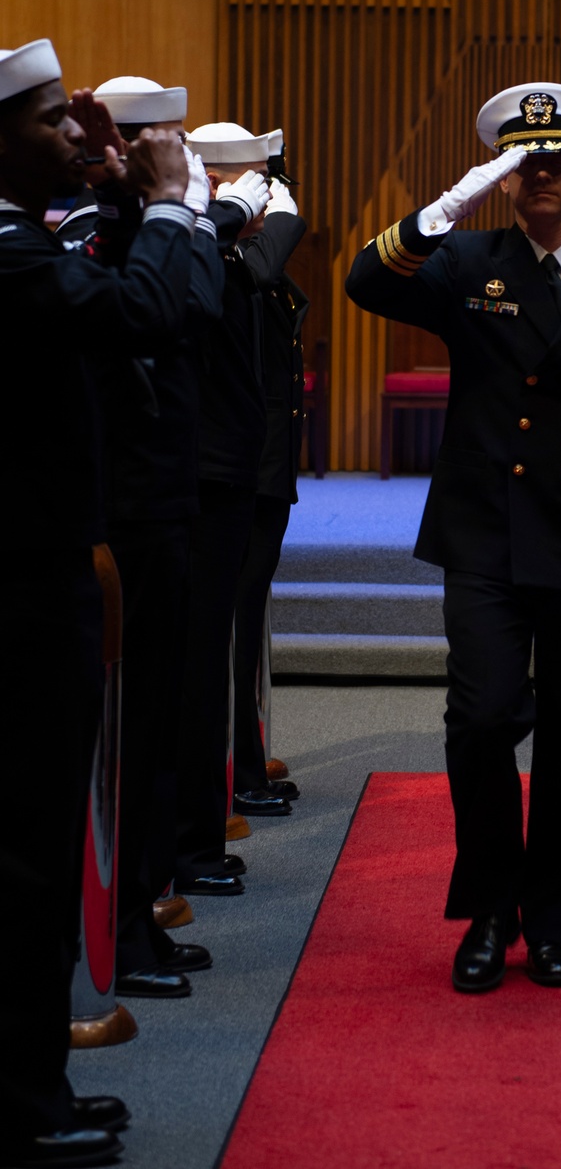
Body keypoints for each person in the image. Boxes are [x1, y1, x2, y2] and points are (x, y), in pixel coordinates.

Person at [347, 83, 561, 992]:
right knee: (480, 720)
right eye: (520, 162)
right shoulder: (467, 264)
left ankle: (552, 921)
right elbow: (363, 281)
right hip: (488, 538)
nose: (539, 174)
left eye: (554, 159)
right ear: (504, 178)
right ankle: (491, 907)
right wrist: (438, 211)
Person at [0, 38, 195, 1169]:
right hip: (19, 593)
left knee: (31, 846)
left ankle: (34, 1087)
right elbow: (140, 317)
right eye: (45, 124)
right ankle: (22, 1108)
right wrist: (167, 204)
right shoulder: (8, 254)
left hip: (40, 575)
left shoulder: (24, 238)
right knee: (24, 853)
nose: (73, 136)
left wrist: (119, 201)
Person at [58, 76, 225, 996]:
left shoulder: (125, 220)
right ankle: (115, 926)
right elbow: (186, 309)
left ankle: (136, 915)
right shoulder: (90, 229)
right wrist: (178, 207)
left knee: (155, 720)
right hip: (123, 505)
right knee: (125, 727)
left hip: (163, 494)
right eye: (159, 138)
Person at [173, 123, 276, 900]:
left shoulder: (224, 246)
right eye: (256, 181)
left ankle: (195, 836)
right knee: (193, 666)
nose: (269, 193)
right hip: (201, 478)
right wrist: (223, 215)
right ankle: (186, 842)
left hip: (228, 470)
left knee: (204, 660)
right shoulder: (197, 247)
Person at [231, 128, 308, 806]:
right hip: (241, 473)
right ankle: (233, 775)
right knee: (230, 622)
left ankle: (243, 761)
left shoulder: (249, 260)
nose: (273, 191)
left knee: (245, 617)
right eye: (260, 179)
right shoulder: (231, 261)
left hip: (263, 471)